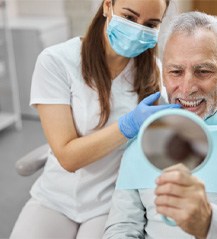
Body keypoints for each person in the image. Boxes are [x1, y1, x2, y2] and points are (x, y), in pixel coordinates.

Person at [10, 0, 181, 238]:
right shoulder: (57, 61)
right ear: (107, 6)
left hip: (110, 202)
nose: (138, 30)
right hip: (55, 198)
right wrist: (128, 125)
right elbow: (68, 157)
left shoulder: (155, 72)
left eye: (151, 24)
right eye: (130, 18)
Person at [103, 12, 217, 238]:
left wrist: (211, 222)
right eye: (176, 72)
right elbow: (121, 227)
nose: (188, 87)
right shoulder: (143, 141)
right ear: (164, 77)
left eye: (203, 71)